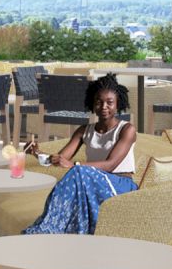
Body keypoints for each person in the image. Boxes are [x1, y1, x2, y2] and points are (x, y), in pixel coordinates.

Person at [21, 75, 140, 235]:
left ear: (118, 104)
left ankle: (46, 228)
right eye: (99, 101)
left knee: (78, 172)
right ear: (92, 103)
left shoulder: (127, 130)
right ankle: (53, 226)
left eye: (110, 102)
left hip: (121, 185)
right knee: (79, 174)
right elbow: (60, 159)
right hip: (91, 184)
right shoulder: (84, 130)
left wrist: (75, 165)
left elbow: (111, 164)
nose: (104, 106)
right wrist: (36, 152)